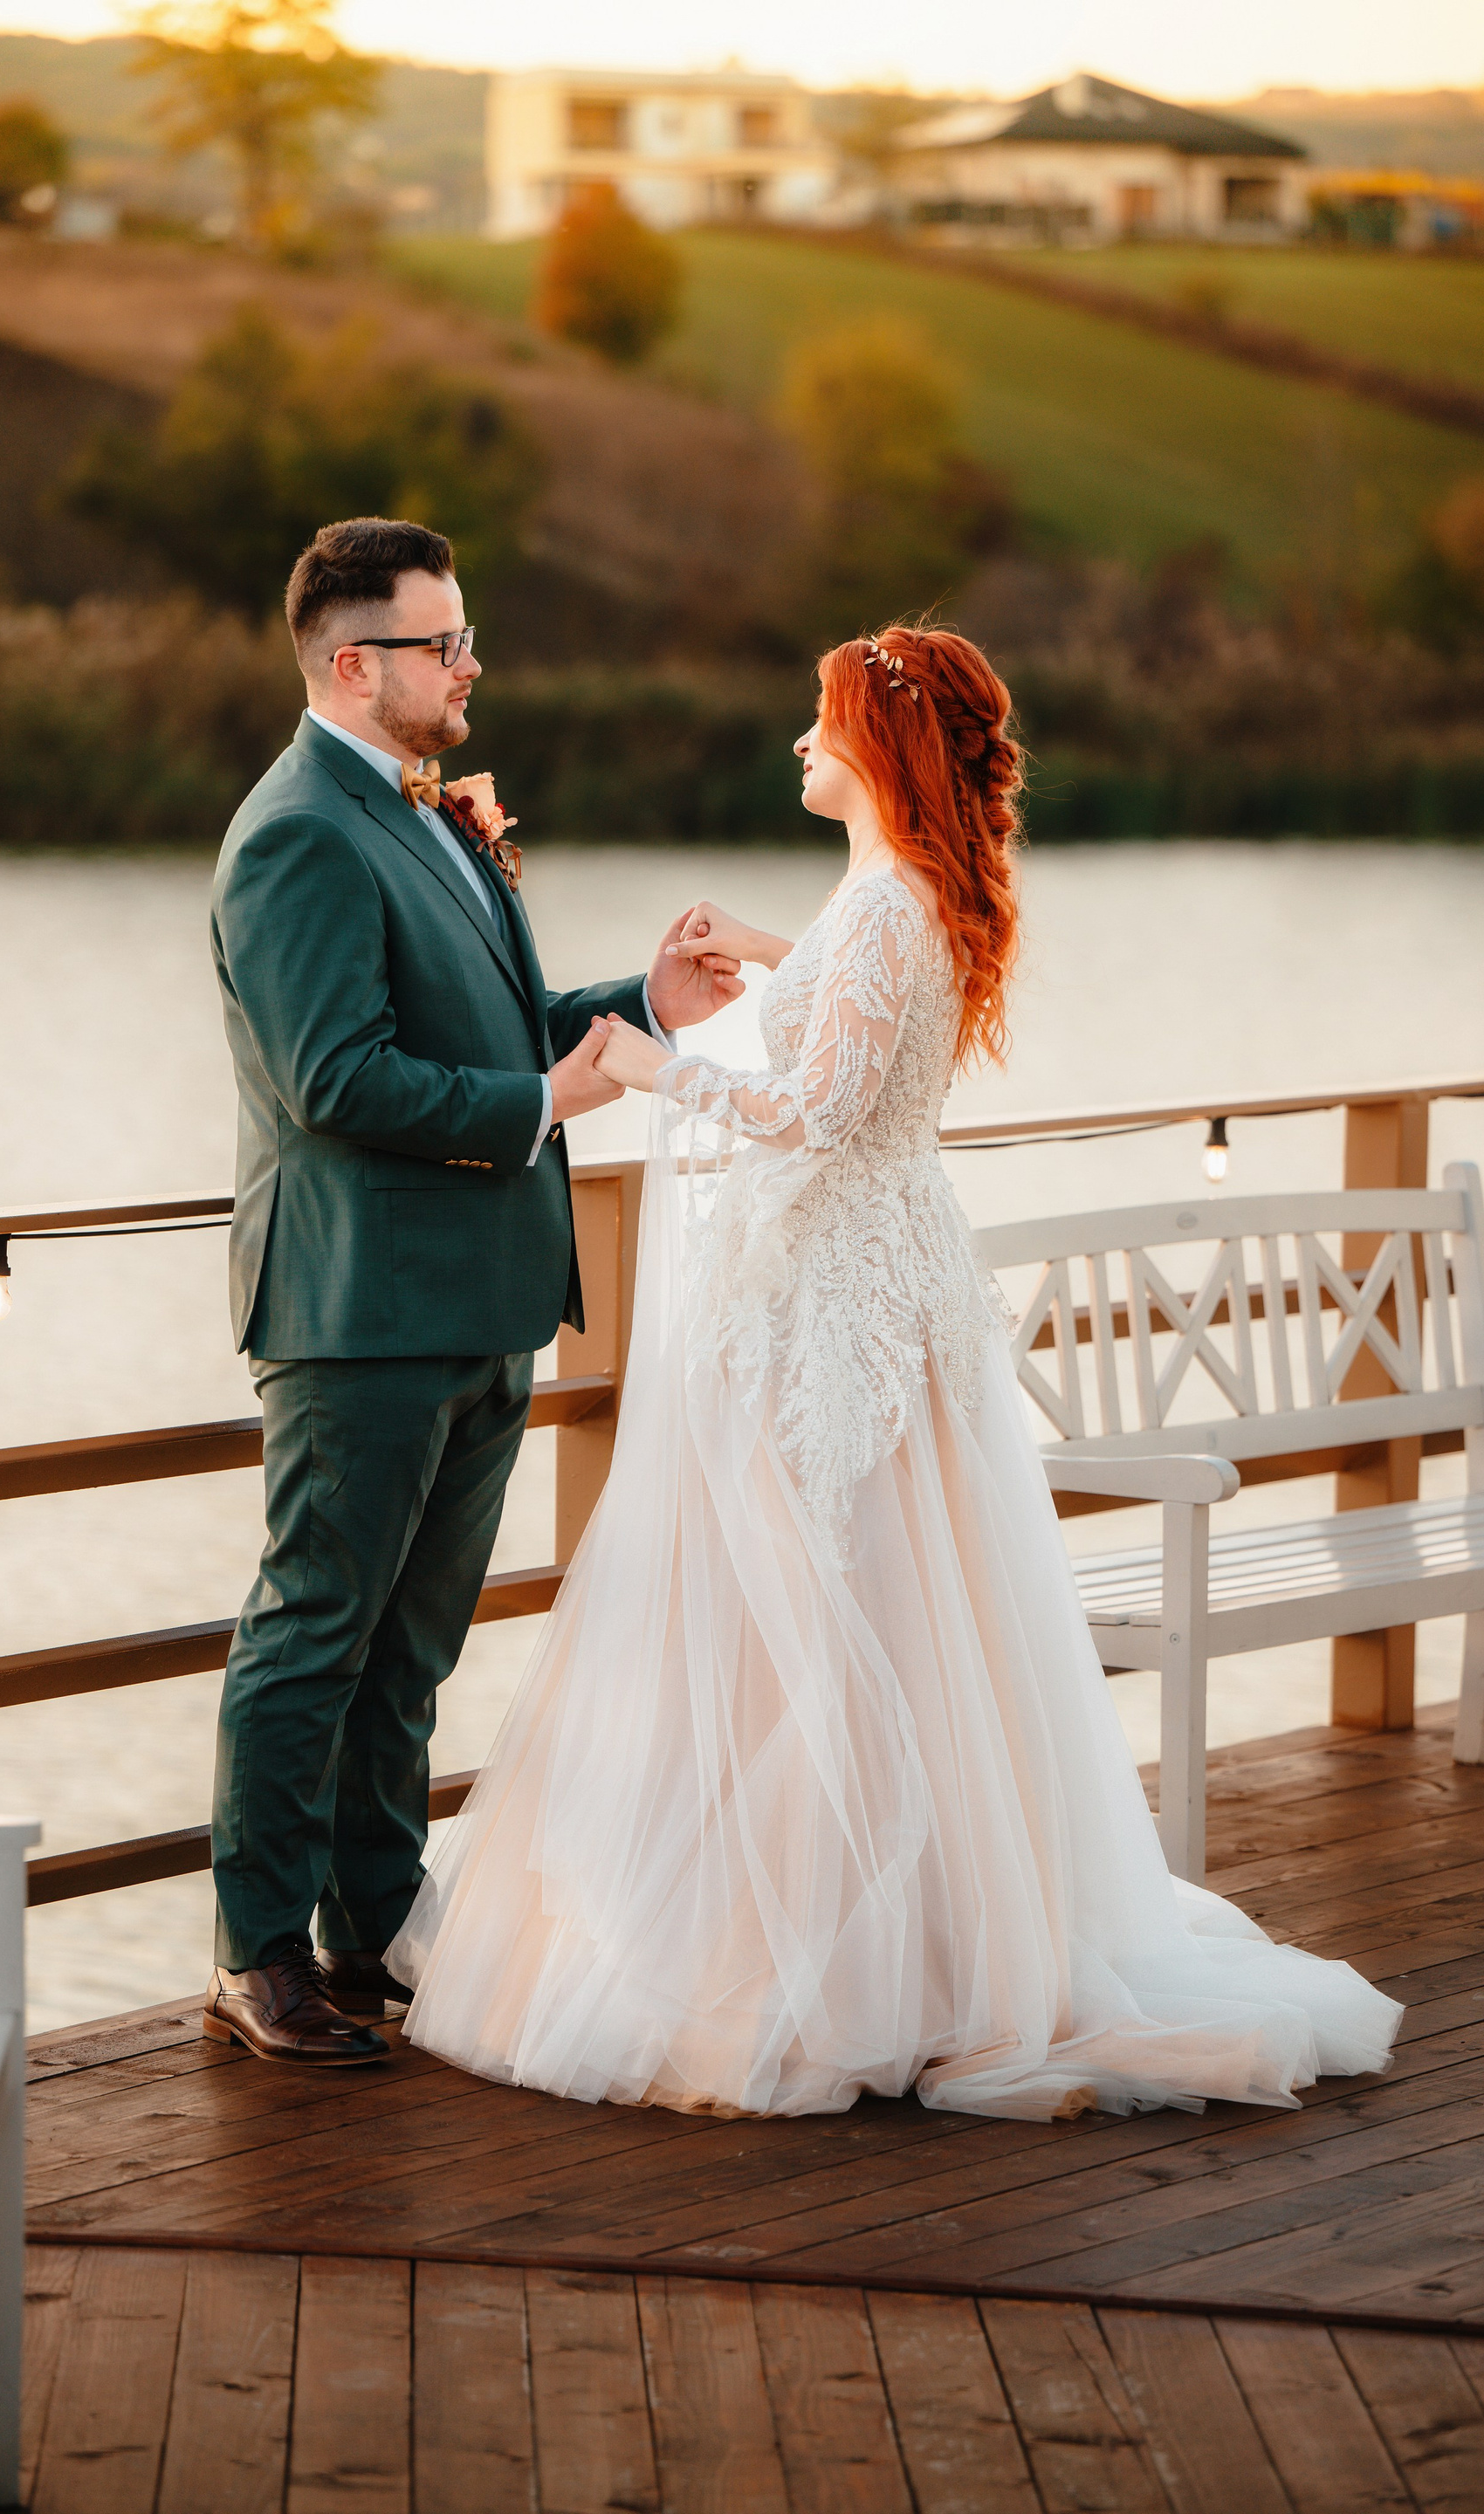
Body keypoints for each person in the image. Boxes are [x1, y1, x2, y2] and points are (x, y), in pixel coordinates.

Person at [386, 622, 1402, 2122]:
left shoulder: (884, 904)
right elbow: (861, 1020)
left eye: (820, 721)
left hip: (830, 1310)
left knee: (817, 1603)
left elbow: (814, 1110)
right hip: (882, 1287)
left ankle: (826, 1962)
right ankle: (909, 1939)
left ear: (877, 744)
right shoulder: (904, 891)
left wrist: (651, 1064)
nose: (801, 742)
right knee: (886, 1604)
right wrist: (766, 950)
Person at [203, 516, 741, 2066]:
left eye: (465, 636)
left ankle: (372, 1921)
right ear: (351, 665)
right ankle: (258, 1952)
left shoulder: (428, 812)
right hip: (360, 1307)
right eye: (443, 643)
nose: (471, 664)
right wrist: (548, 1105)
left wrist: (640, 1006)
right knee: (316, 1630)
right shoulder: (298, 831)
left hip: (483, 1297)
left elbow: (498, 1022)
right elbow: (335, 1078)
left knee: (412, 1646)